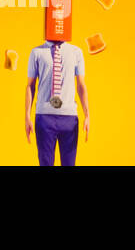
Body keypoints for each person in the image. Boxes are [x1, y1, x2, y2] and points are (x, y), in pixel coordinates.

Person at [25, 35, 90, 166]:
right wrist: (27, 116)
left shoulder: (76, 52)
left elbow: (81, 85)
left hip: (69, 118)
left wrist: (87, 114)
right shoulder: (36, 52)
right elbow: (30, 86)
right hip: (44, 118)